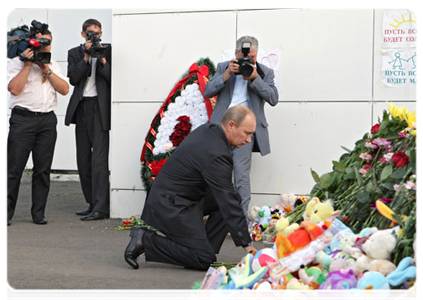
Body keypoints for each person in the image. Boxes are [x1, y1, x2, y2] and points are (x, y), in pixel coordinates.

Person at [124, 105, 257, 270]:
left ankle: (202, 247)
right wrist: (247, 246)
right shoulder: (217, 153)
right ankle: (145, 240)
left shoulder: (209, 130)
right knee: (203, 259)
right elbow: (227, 199)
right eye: (247, 133)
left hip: (181, 197)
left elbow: (227, 197)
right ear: (231, 125)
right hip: (169, 205)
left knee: (232, 198)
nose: (249, 140)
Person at [204, 36, 279, 220]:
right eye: (245, 56)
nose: (248, 60)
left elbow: (273, 98)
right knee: (216, 174)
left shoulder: (264, 72)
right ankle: (216, 218)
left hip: (244, 131)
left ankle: (240, 221)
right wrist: (227, 74)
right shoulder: (224, 67)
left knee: (241, 176)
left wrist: (255, 79)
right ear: (236, 53)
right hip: (222, 128)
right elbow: (208, 91)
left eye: (252, 57)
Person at [5, 29, 69, 226]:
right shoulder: (17, 62)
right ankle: (5, 213)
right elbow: (14, 89)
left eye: (48, 42)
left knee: (42, 170)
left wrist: (46, 69)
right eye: (41, 42)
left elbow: (65, 89)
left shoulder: (52, 63)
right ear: (32, 42)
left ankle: (39, 213)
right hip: (23, 119)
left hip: (47, 121)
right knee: (14, 169)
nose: (45, 46)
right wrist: (27, 65)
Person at [65, 19, 112, 221]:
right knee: (83, 160)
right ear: (84, 34)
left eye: (99, 33)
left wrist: (101, 59)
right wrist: (85, 57)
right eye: (92, 33)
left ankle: (101, 208)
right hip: (82, 107)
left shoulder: (108, 51)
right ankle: (92, 203)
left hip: (99, 109)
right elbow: (73, 79)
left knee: (99, 161)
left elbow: (112, 78)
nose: (96, 37)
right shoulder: (74, 53)